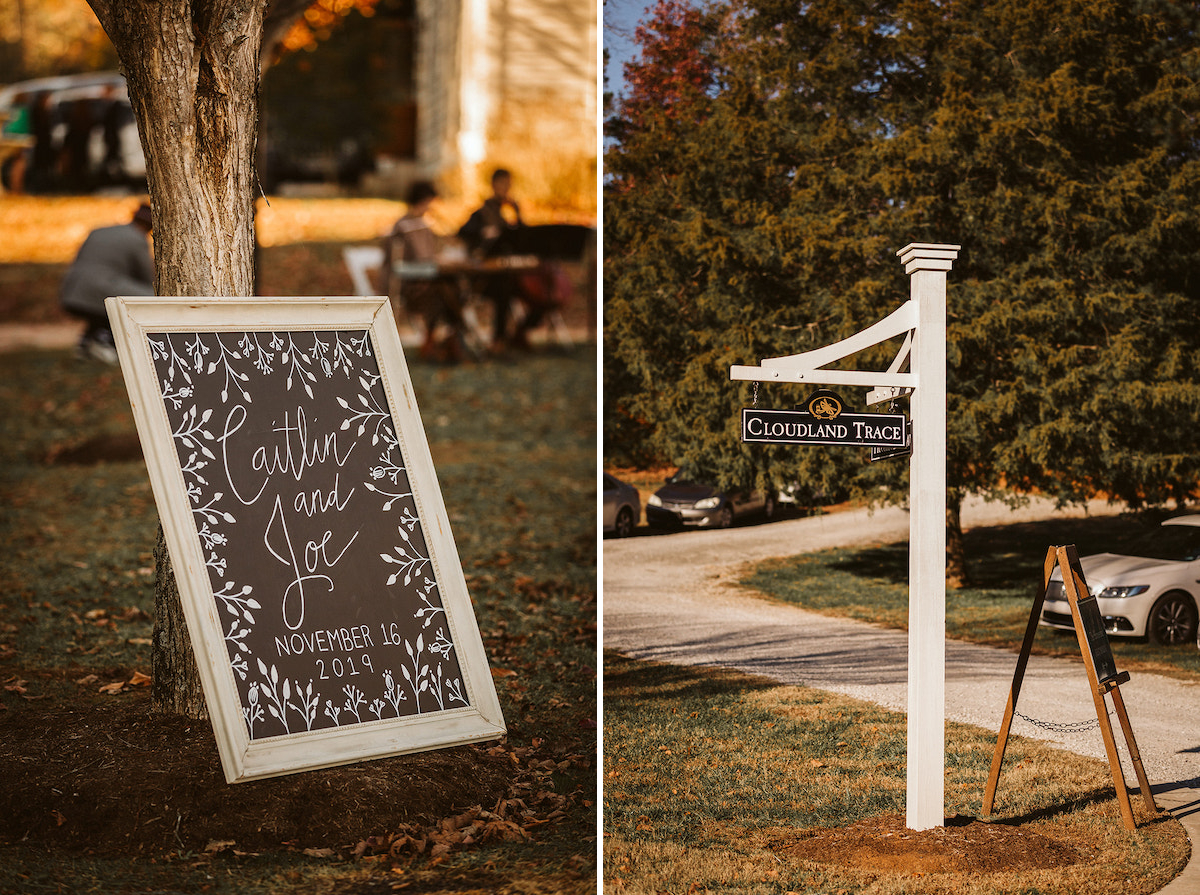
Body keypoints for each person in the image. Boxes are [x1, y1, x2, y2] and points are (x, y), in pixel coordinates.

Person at [380, 181, 465, 362]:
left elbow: (429, 256)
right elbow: (418, 259)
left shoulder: (423, 225)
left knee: (453, 287)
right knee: (445, 292)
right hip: (408, 285)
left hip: (426, 280)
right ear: (423, 200)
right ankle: (454, 336)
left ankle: (443, 340)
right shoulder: (405, 226)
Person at [60, 203, 154, 363]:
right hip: (99, 291)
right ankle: (106, 342)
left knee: (107, 299)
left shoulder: (100, 231)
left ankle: (88, 343)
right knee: (149, 297)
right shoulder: (137, 239)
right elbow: (147, 275)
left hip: (71, 289)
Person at [457, 168, 529, 349]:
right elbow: (463, 233)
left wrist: (518, 214)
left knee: (536, 286)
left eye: (508, 185)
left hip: (509, 271)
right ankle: (500, 338)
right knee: (504, 287)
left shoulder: (508, 213)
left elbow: (523, 239)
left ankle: (520, 333)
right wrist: (483, 235)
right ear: (494, 184)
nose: (506, 188)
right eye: (503, 184)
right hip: (485, 277)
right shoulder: (482, 214)